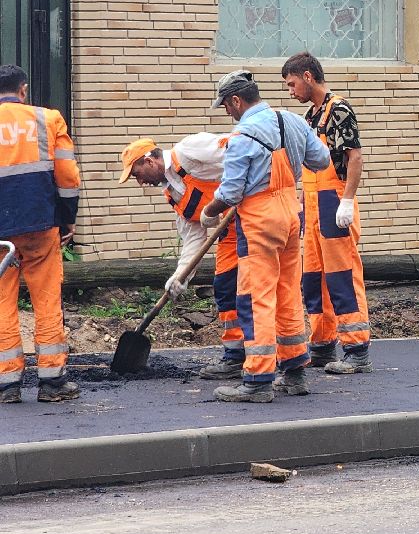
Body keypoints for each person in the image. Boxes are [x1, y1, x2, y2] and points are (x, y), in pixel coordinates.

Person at [198, 69, 330, 403]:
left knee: (255, 296)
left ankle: (257, 380)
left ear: (236, 101)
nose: (227, 112)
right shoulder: (292, 121)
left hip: (260, 221)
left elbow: (231, 192)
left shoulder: (242, 136)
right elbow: (322, 159)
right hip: (291, 215)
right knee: (288, 293)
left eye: (226, 106)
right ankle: (295, 373)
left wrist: (209, 212)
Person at [118, 133, 245, 379]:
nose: (140, 182)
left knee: (249, 290)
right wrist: (180, 277)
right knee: (225, 288)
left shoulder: (188, 152)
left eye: (137, 174)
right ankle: (236, 356)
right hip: (230, 234)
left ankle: (263, 354)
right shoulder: (173, 195)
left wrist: (229, 198)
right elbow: (193, 238)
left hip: (251, 219)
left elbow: (241, 151)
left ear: (149, 161)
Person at [281, 52, 372, 375]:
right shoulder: (311, 116)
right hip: (312, 204)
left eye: (292, 84)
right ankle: (322, 344)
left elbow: (355, 157)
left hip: (334, 202)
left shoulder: (339, 110)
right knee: (314, 278)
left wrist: (347, 200)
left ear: (308, 76)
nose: (290, 91)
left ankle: (357, 349)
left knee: (342, 275)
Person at [0, 64, 81, 404]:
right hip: (40, 224)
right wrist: (67, 219)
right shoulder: (48, 119)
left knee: (2, 303)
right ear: (23, 90)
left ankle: (7, 385)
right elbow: (67, 176)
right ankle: (52, 382)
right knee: (46, 299)